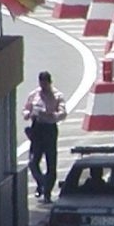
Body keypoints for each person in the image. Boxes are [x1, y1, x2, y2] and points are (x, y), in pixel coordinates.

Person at [22, 71, 67, 203]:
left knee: (51, 162)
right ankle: (41, 182)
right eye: (41, 84)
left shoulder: (57, 95)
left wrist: (52, 115)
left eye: (45, 84)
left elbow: (63, 113)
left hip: (49, 129)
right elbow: (26, 108)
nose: (43, 87)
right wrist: (28, 114)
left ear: (49, 82)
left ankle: (47, 192)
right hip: (37, 128)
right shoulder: (34, 94)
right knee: (33, 161)